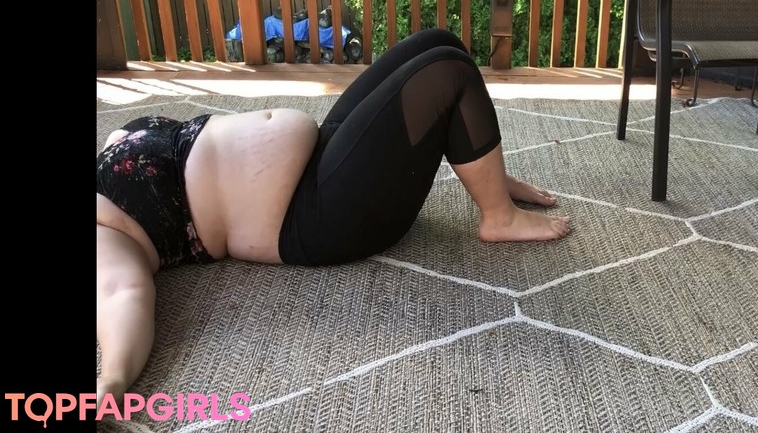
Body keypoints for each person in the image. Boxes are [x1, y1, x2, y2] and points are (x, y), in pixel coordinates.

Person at [96, 28, 571, 399]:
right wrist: (111, 382)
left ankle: (484, 170)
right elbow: (121, 292)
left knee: (438, 42)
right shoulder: (103, 231)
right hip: (318, 216)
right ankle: (498, 217)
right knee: (446, 72)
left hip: (319, 156)